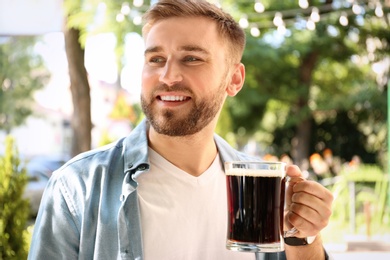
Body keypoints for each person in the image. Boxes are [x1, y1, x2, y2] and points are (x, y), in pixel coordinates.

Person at [28, 0, 334, 259]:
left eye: (192, 58)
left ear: (234, 80)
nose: (168, 75)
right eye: (156, 59)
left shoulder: (258, 189)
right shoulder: (77, 187)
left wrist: (303, 236)